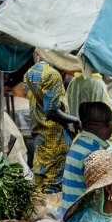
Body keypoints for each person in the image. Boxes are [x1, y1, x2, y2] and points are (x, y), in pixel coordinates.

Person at [24, 60, 77, 191]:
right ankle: (48, 210)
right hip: (55, 139)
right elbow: (51, 111)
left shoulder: (31, 72)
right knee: (53, 183)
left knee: (40, 178)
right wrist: (75, 120)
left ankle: (39, 209)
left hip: (40, 134)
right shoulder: (52, 75)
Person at [61, 100, 112, 209]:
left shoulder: (78, 142)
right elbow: (103, 194)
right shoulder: (94, 152)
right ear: (109, 124)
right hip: (80, 217)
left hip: (68, 212)